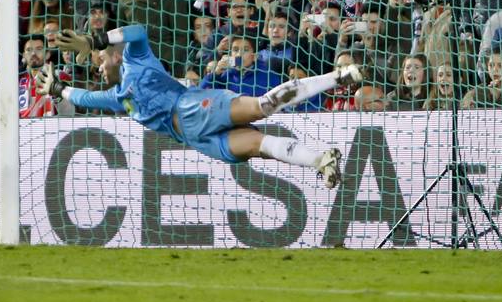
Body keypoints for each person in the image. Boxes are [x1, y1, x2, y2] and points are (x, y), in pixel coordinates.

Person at [39, 26, 360, 187]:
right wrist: (58, 89)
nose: (97, 67)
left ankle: (338, 76)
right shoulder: (118, 97)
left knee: (262, 107)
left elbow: (137, 32)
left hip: (194, 106)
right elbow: (84, 98)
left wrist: (97, 39)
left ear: (113, 53)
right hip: (197, 139)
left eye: (98, 60)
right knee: (259, 146)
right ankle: (320, 160)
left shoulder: (138, 61)